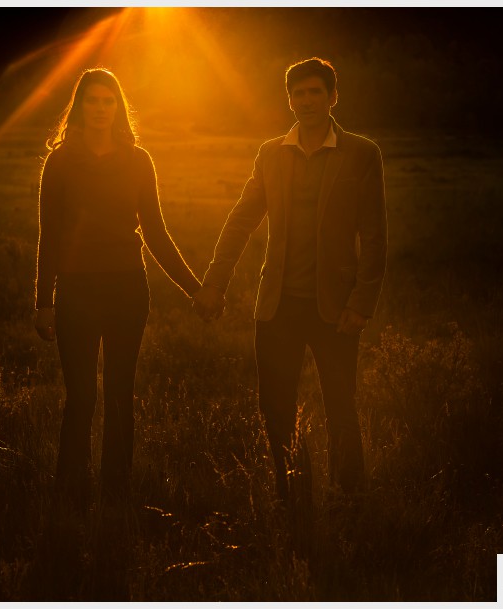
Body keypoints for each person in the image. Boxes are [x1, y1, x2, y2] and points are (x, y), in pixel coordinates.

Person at [193, 57, 387, 508]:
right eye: (298, 93)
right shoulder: (270, 153)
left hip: (336, 308)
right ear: (289, 100)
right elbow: (242, 220)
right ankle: (288, 493)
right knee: (275, 408)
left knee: (341, 405)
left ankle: (351, 496)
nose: (306, 101)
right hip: (277, 305)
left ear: (333, 97)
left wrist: (361, 302)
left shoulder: (362, 152)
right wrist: (215, 282)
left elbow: (375, 235)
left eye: (315, 92)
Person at [34, 68, 202, 502]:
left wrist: (195, 289)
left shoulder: (138, 161)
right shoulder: (60, 161)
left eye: (109, 101)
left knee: (120, 394)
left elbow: (157, 234)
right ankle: (71, 492)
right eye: (93, 100)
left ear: (119, 108)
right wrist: (43, 302)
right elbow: (48, 235)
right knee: (82, 397)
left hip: (128, 290)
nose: (101, 109)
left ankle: (116, 492)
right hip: (75, 292)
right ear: (80, 106)